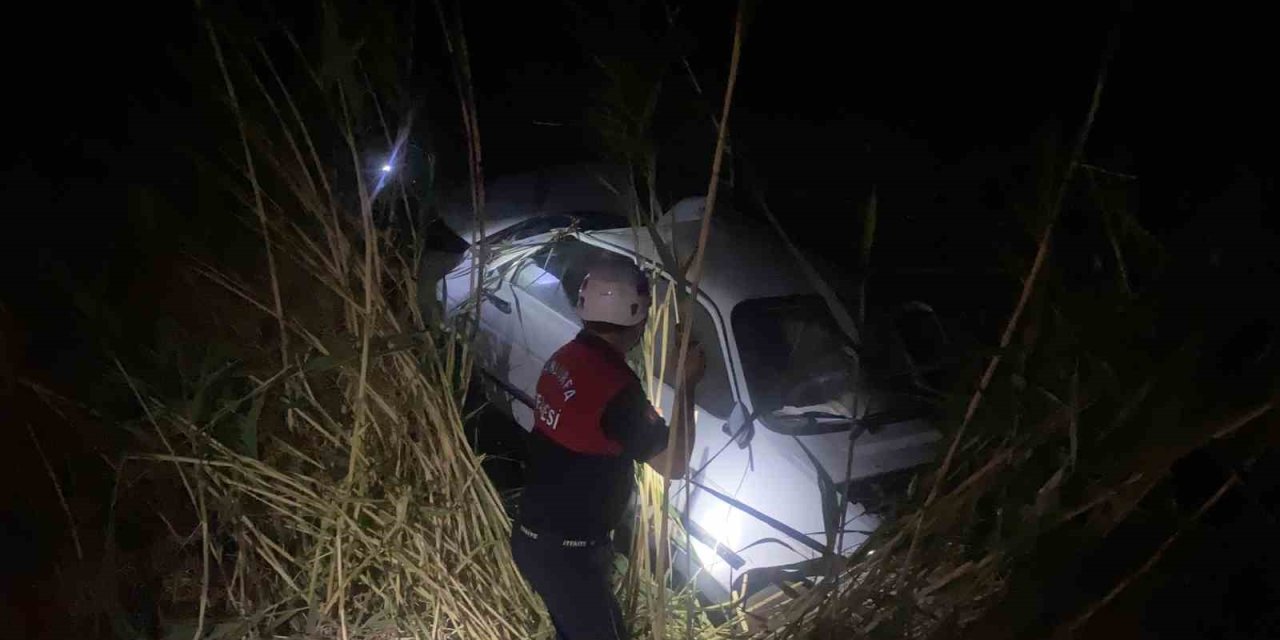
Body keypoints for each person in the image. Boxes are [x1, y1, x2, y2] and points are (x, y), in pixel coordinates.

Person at [511, 257, 705, 639]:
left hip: (537, 538)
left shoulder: (565, 358)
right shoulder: (615, 390)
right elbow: (675, 463)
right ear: (640, 317)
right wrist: (687, 384)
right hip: (566, 554)